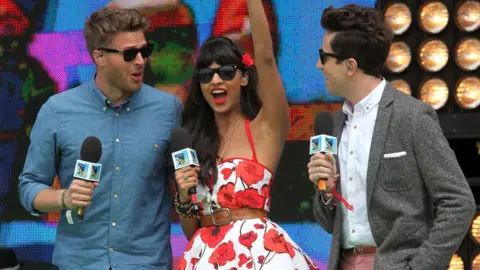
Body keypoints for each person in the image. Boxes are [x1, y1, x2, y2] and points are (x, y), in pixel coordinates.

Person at [307, 4, 476, 270]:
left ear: (350, 66)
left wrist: (421, 266)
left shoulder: (411, 117)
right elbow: (330, 224)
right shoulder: (336, 123)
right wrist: (326, 192)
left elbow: (459, 202)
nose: (319, 65)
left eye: (323, 56)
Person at [18, 7, 182, 270]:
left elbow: (185, 191)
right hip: (79, 262)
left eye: (145, 51)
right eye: (129, 54)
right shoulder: (57, 110)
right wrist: (64, 198)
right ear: (99, 57)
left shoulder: (170, 110)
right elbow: (29, 187)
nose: (140, 61)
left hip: (146, 263)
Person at [172, 1, 318, 269]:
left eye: (226, 72)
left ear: (243, 78)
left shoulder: (266, 128)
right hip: (206, 256)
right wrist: (183, 196)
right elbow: (192, 230)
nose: (216, 81)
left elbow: (265, 57)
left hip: (259, 254)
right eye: (206, 75)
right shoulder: (195, 142)